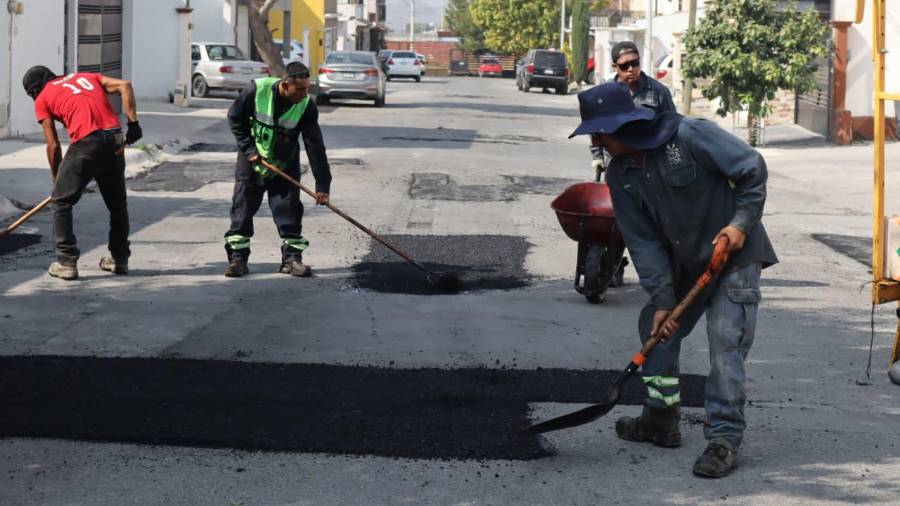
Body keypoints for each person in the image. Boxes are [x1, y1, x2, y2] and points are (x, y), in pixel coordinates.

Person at [570, 83, 778, 478]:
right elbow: (644, 243)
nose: (595, 142)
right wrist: (664, 300)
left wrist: (740, 224)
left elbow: (751, 167)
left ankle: (723, 439)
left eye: (598, 134)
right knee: (656, 329)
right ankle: (661, 417)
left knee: (725, 343)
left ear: (617, 127)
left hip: (734, 257)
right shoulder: (621, 175)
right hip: (687, 265)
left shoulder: (688, 136)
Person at [23, 66, 142, 281]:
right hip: (114, 138)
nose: (34, 99)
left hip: (87, 142)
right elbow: (125, 85)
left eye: (32, 95)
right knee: (117, 203)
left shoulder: (42, 98)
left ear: (34, 91)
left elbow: (53, 145)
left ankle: (66, 262)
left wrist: (57, 182)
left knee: (61, 202)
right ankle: (120, 259)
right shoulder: (86, 77)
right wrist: (133, 123)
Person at [224, 62, 331, 278]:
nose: (304, 94)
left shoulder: (306, 106)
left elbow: (315, 146)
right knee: (242, 209)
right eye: (299, 89)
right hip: (252, 160)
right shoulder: (256, 90)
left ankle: (291, 260)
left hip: (284, 163)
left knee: (288, 209)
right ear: (284, 85)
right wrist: (249, 150)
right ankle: (238, 260)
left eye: (307, 88)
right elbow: (235, 118)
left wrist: (322, 184)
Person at [592, 41, 675, 178]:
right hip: (615, 165)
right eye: (625, 66)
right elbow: (595, 128)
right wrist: (597, 156)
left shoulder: (659, 91)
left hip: (649, 166)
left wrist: (672, 163)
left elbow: (672, 128)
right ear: (615, 67)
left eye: (635, 63)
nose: (631, 69)